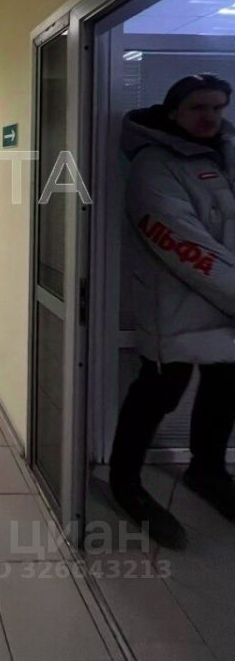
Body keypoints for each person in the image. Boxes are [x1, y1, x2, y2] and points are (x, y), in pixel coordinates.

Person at [109, 73, 235, 549]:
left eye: (218, 108)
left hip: (225, 310)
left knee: (225, 391)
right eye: (198, 108)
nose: (210, 117)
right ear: (173, 112)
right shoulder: (153, 166)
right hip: (177, 307)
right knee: (158, 392)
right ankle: (126, 482)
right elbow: (184, 245)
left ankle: (208, 470)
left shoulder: (224, 157)